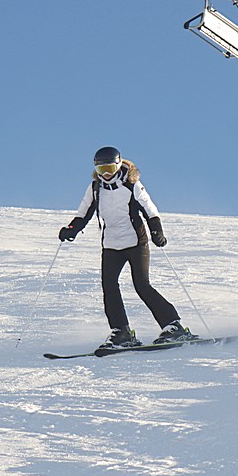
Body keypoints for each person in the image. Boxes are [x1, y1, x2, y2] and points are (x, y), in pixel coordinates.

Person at [58, 146, 194, 349]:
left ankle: (174, 326)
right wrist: (71, 229)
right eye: (102, 169)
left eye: (110, 169)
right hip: (111, 244)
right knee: (109, 286)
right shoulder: (95, 188)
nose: (106, 174)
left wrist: (157, 231)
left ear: (119, 165)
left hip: (135, 242)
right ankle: (121, 331)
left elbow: (150, 210)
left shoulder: (132, 184)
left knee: (142, 285)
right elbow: (83, 213)